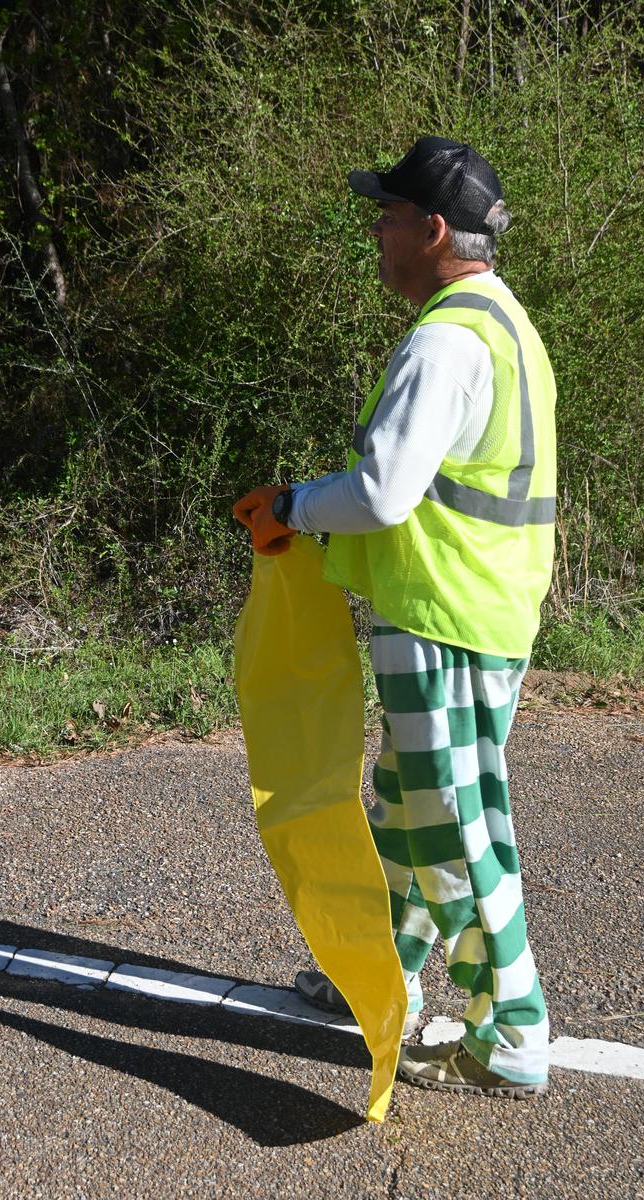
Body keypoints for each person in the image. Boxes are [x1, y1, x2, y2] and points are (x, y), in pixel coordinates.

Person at [233, 136, 556, 1099]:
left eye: (388, 215)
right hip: (477, 609)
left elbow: (382, 494)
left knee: (454, 826)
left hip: (444, 615)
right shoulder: (503, 321)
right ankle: (374, 970)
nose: (376, 231)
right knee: (410, 810)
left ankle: (514, 1034)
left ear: (434, 230)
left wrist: (291, 507)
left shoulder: (445, 342)